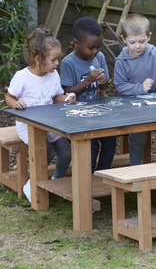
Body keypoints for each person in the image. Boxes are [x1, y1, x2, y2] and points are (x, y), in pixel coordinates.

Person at [5, 28, 76, 202]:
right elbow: (9, 97)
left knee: (66, 152)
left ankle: (56, 181)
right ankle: (32, 185)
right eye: (54, 59)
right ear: (38, 59)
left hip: (50, 123)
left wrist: (67, 98)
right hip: (28, 125)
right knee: (46, 150)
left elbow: (55, 96)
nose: (57, 63)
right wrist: (16, 104)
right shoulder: (22, 77)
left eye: (58, 59)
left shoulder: (53, 75)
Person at [114, 13, 156, 165]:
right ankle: (136, 173)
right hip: (134, 107)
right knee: (137, 138)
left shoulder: (155, 53)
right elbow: (120, 85)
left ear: (149, 37)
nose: (137, 46)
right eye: (132, 42)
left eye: (142, 41)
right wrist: (140, 88)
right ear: (123, 39)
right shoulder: (121, 61)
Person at [60, 17, 116, 173]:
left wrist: (103, 81)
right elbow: (67, 92)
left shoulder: (100, 58)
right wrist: (88, 81)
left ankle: (103, 174)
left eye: (98, 46)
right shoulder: (68, 62)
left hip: (97, 111)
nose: (95, 51)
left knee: (110, 140)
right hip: (76, 115)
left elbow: (104, 87)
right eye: (91, 48)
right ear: (76, 43)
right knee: (91, 146)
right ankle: (86, 178)